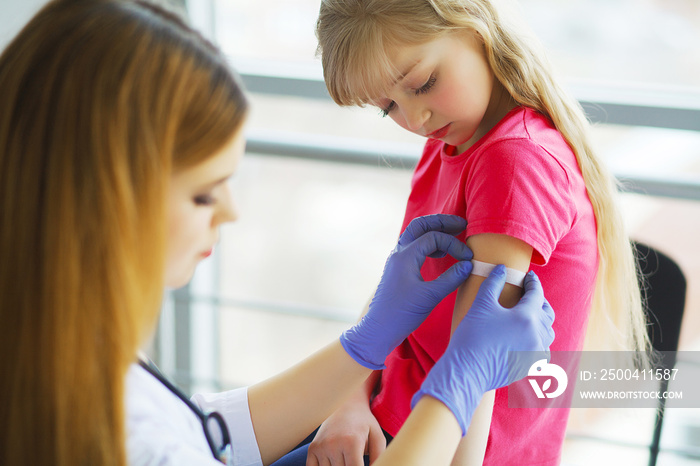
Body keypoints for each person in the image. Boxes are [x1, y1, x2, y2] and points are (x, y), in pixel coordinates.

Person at [0, 1, 555, 466]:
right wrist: (460, 383)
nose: (230, 212)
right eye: (201, 193)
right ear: (95, 195)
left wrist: (362, 352)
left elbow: (206, 431)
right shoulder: (111, 430)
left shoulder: (58, 352)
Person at [277, 1, 652, 465]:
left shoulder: (513, 163)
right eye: (388, 107)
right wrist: (348, 402)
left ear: (474, 28)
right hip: (385, 422)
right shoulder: (452, 139)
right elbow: (392, 305)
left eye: (422, 85)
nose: (415, 120)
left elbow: (474, 378)